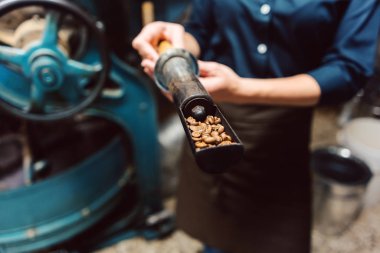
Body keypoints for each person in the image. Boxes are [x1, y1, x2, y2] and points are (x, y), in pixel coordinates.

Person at [132, 1, 380, 252]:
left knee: (272, 232)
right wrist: (175, 47)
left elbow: (348, 70)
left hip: (283, 120)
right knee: (215, 224)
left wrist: (242, 89)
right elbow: (200, 30)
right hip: (213, 109)